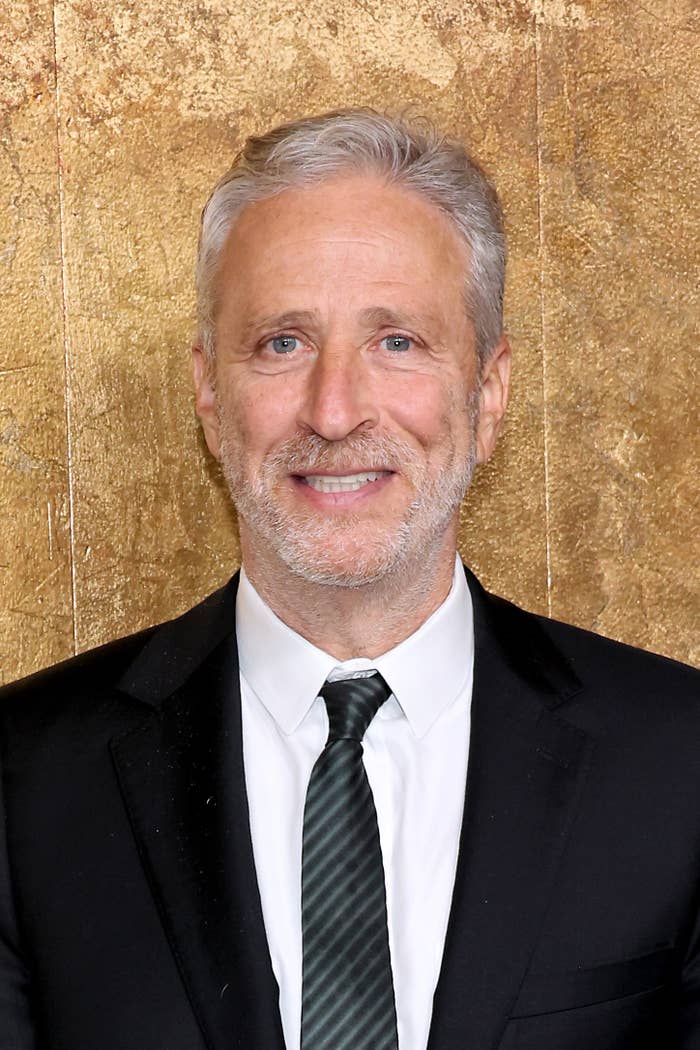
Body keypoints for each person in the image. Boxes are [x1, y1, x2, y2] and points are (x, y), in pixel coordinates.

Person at [0, 108, 698, 1050]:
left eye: (397, 341)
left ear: (487, 394)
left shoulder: (679, 764)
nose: (333, 411)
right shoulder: (24, 783)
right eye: (282, 343)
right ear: (211, 396)